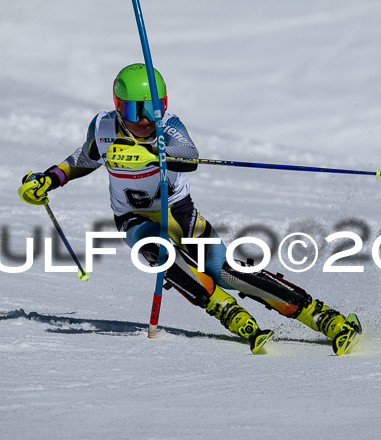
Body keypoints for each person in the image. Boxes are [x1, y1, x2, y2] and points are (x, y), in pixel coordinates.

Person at [18, 63, 361, 355]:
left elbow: (190, 156)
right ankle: (226, 311)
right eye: (137, 111)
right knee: (160, 253)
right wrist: (50, 179)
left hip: (180, 214)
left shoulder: (169, 128)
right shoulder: (103, 126)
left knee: (227, 271)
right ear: (119, 106)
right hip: (135, 220)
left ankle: (322, 316)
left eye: (156, 107)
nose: (147, 119)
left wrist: (155, 154)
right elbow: (83, 158)